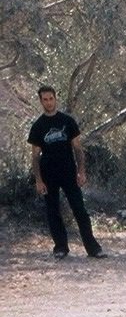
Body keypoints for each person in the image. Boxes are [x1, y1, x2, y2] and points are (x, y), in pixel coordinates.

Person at [27, 86, 105, 259]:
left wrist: (81, 171)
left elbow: (78, 149)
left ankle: (93, 248)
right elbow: (35, 156)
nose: (48, 102)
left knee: (80, 210)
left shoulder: (67, 121)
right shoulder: (38, 126)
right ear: (41, 101)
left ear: (56, 99)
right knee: (53, 211)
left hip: (69, 173)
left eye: (51, 98)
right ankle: (61, 247)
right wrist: (39, 180)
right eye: (45, 99)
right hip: (48, 175)